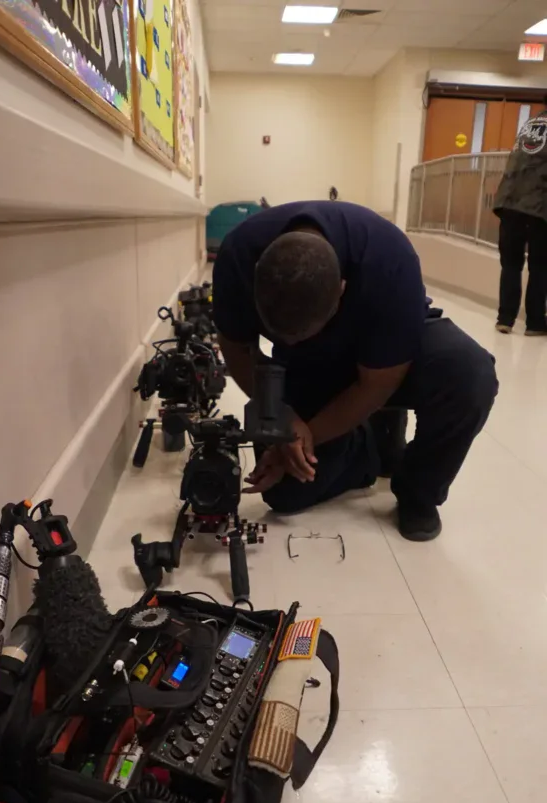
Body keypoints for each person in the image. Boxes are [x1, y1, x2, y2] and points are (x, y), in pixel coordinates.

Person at [212, 201, 498, 541]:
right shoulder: (238, 256)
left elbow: (380, 381)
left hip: (390, 353)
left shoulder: (389, 258)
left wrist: (311, 433)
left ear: (343, 289)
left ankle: (418, 491)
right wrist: (282, 417)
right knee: (287, 493)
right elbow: (236, 347)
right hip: (308, 364)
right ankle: (371, 442)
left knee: (469, 374)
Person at [493, 101, 547, 336]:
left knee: (511, 264)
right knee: (540, 266)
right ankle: (535, 323)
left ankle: (505, 318)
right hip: (538, 205)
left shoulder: (531, 123)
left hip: (509, 201)